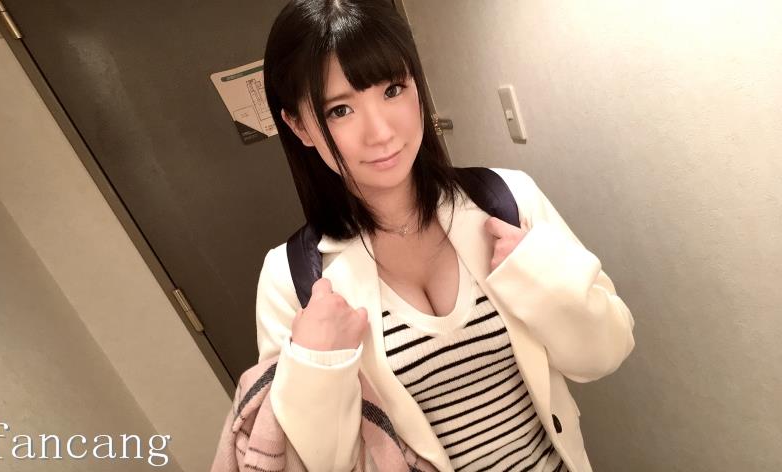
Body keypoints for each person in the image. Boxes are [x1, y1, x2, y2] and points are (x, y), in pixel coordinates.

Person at [258, 1, 635, 471]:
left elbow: (604, 354)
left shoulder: (507, 200)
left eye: (392, 89)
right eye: (340, 110)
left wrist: (541, 276)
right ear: (298, 126)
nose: (381, 131)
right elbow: (319, 463)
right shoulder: (292, 278)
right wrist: (317, 364)